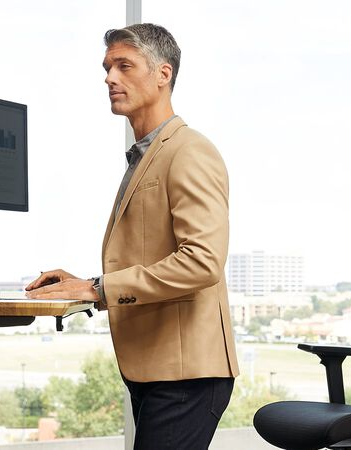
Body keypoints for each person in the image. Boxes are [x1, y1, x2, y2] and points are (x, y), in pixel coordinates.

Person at [23, 23, 238, 450]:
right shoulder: (148, 154)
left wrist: (98, 288)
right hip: (159, 369)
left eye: (124, 66)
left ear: (163, 73)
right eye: (107, 68)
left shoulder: (189, 150)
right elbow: (152, 253)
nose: (109, 78)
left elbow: (202, 261)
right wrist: (84, 283)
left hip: (186, 374)